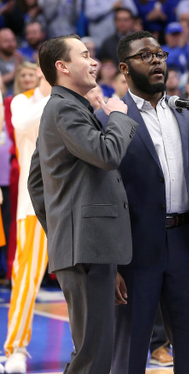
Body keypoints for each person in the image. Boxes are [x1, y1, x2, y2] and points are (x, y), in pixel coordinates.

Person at [95, 30, 189, 374]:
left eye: (160, 54)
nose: (156, 60)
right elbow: (102, 195)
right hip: (134, 250)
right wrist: (109, 265)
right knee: (128, 355)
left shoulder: (187, 115)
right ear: (125, 69)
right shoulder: (109, 117)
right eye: (146, 56)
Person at [27, 34, 139, 374]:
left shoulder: (69, 106)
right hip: (84, 246)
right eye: (85, 55)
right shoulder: (63, 107)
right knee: (93, 354)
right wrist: (119, 115)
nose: (94, 62)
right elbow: (106, 154)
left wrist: (65, 231)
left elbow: (36, 182)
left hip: (86, 244)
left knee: (93, 349)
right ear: (62, 66)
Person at [3, 66, 51, 374]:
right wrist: (61, 96)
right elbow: (23, 124)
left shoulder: (79, 99)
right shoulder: (23, 101)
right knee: (26, 281)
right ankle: (16, 348)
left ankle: (87, 347)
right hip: (34, 207)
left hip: (75, 206)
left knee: (85, 283)